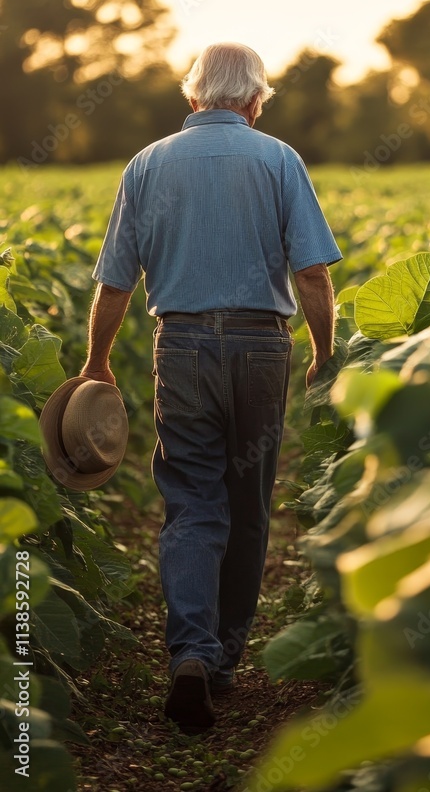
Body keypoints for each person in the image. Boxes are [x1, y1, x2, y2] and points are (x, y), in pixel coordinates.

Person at [79, 41, 342, 733]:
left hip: (184, 345)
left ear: (192, 97)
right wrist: (323, 353)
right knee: (248, 504)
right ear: (255, 101)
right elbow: (313, 273)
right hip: (261, 346)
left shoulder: (147, 163)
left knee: (192, 500)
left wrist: (97, 363)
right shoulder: (279, 159)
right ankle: (222, 662)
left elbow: (115, 280)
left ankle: (189, 652)